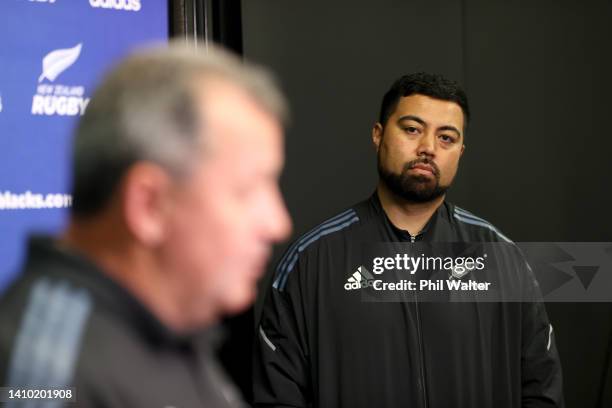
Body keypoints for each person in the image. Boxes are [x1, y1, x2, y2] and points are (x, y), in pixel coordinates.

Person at [0, 43, 291, 407]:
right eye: (247, 191)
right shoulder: (47, 371)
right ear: (149, 205)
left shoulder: (173, 331)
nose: (278, 224)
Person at [254, 73, 564, 407]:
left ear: (460, 151)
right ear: (378, 135)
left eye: (446, 138)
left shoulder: (502, 258)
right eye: (412, 129)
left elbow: (542, 390)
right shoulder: (310, 261)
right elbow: (278, 397)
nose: (428, 148)